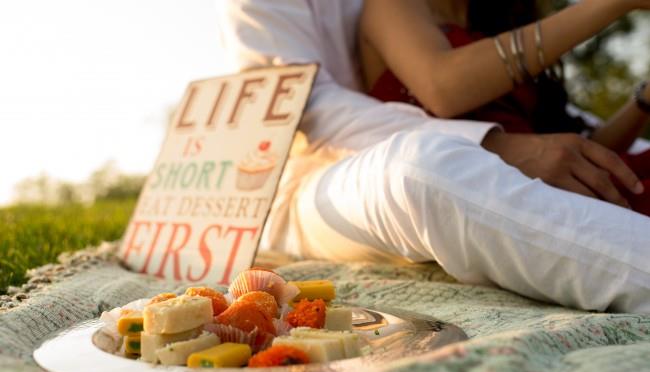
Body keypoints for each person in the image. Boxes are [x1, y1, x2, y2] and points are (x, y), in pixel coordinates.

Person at [215, 0, 650, 313]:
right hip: (323, 177)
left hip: (475, 163)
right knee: (419, 170)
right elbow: (306, 110)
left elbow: (568, 138)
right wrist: (496, 145)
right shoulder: (392, 10)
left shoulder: (498, 15)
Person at [360, 0, 650, 215]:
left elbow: (575, 155)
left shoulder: (500, 20)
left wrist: (645, 100)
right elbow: (444, 88)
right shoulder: (392, 6)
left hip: (563, 192)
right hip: (488, 202)